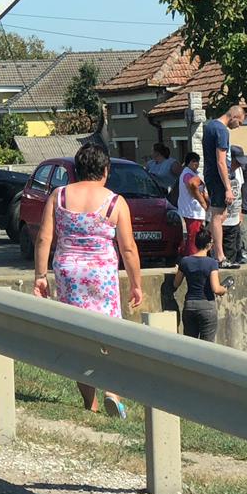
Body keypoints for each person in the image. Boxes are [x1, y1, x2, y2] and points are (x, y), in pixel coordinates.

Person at [32, 142, 144, 418]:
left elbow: (44, 237)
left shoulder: (58, 196)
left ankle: (89, 404)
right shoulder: (115, 202)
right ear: (106, 170)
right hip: (101, 274)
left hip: (68, 272)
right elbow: (128, 247)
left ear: (76, 170)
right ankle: (112, 392)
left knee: (78, 335)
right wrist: (136, 283)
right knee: (107, 334)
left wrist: (40, 276)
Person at [202, 103, 246, 265]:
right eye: (239, 122)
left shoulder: (210, 126)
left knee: (222, 214)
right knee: (218, 215)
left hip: (211, 176)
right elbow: (221, 161)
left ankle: (203, 242)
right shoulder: (222, 131)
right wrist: (228, 187)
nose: (239, 126)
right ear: (233, 117)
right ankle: (220, 256)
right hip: (218, 177)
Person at [175, 227, 228, 341]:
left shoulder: (185, 261)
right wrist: (224, 289)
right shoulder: (212, 263)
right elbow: (216, 289)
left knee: (190, 343)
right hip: (207, 306)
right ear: (209, 245)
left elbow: (175, 283)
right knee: (207, 346)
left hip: (189, 306)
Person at [175, 151, 207, 256]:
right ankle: (192, 257)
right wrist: (203, 202)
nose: (196, 164)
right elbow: (191, 186)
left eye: (197, 161)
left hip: (195, 211)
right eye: (193, 161)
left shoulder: (194, 173)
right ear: (188, 162)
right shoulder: (187, 174)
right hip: (192, 211)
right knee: (193, 237)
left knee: (194, 236)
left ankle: (189, 255)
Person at [222, 145, 245, 265]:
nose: (239, 164)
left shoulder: (238, 170)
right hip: (222, 219)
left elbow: (239, 190)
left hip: (234, 218)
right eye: (237, 162)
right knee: (222, 250)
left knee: (234, 250)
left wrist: (240, 213)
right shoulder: (221, 170)